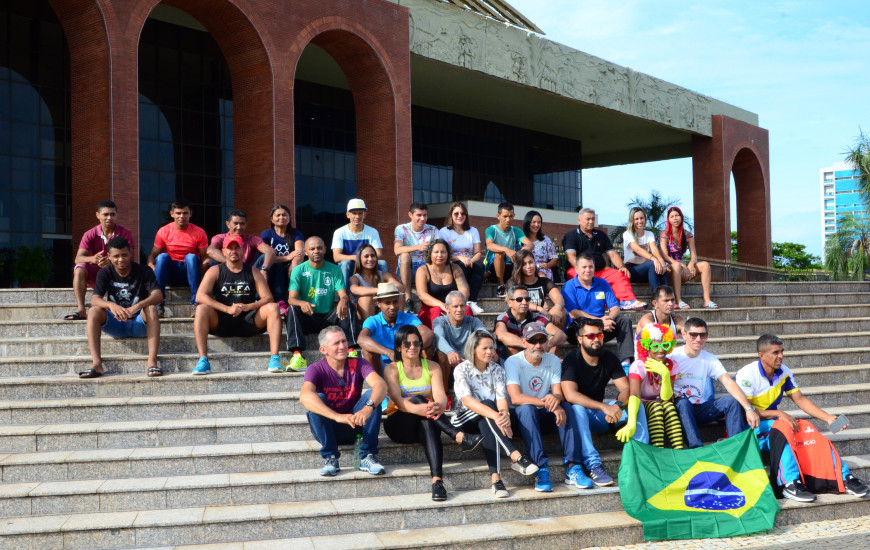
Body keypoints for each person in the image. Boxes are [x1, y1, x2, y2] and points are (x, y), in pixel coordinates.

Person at [736, 334, 869, 502]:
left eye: (782, 351)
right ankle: (790, 484)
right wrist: (778, 414)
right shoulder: (747, 374)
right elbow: (746, 410)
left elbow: (800, 399)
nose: (781, 356)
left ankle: (845, 478)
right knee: (783, 433)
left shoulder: (784, 371)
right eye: (775, 352)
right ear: (761, 355)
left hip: (774, 424)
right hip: (750, 428)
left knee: (808, 429)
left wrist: (827, 418)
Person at [383, 325, 483, 501]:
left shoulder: (433, 366)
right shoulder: (391, 368)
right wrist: (419, 408)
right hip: (398, 425)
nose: (412, 347)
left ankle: (437, 481)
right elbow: (399, 401)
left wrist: (438, 406)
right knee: (419, 399)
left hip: (426, 420)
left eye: (416, 343)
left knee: (427, 421)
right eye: (407, 344)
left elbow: (441, 398)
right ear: (399, 347)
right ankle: (457, 435)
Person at [561, 318, 649, 487]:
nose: (596, 339)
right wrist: (604, 407)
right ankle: (593, 465)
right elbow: (570, 395)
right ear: (580, 339)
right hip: (582, 417)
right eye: (591, 336)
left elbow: (626, 389)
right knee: (577, 408)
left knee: (637, 405)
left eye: (599, 335)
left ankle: (642, 458)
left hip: (603, 415)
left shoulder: (608, 357)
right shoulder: (572, 360)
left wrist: (617, 406)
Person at [451, 330, 539, 498]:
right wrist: (498, 416)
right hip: (465, 418)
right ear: (473, 349)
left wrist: (504, 414)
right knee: (487, 407)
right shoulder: (462, 369)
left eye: (492, 348)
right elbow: (467, 401)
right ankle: (516, 456)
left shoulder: (497, 369)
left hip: (490, 420)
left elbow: (501, 399)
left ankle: (496, 480)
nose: (489, 352)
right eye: (485, 348)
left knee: (488, 419)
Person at [505, 322, 584, 492]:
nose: (538, 345)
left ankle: (573, 466)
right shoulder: (513, 361)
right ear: (524, 342)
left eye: (542, 340)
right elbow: (516, 397)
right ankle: (540, 467)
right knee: (526, 408)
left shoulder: (553, 360)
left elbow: (558, 392)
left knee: (567, 407)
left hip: (543, 413)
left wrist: (556, 400)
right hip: (521, 419)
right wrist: (550, 402)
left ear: (548, 341)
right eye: (533, 341)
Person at [299, 326, 387, 477]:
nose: (342, 346)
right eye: (336, 343)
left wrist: (368, 407)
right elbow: (304, 396)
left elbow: (381, 385)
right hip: (329, 429)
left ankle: (367, 455)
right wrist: (337, 417)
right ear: (323, 349)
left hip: (356, 424)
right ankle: (330, 456)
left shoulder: (360, 363)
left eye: (344, 341)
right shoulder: (316, 369)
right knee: (316, 399)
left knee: (372, 396)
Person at [192, 234, 284, 375]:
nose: (233, 251)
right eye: (230, 248)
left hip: (248, 320)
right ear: (223, 251)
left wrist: (249, 306)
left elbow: (268, 298)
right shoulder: (215, 270)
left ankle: (274, 358)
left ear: (243, 250)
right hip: (222, 320)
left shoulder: (253, 271)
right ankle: (203, 360)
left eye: (237, 248)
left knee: (274, 307)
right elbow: (200, 296)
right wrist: (227, 309)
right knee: (201, 309)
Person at [672, 317, 759, 448]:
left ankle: (737, 448)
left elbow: (728, 382)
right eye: (693, 335)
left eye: (702, 335)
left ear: (708, 336)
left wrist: (748, 408)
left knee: (732, 402)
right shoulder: (673, 355)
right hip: (677, 408)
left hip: (699, 408)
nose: (698, 339)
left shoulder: (709, 359)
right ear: (684, 334)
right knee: (683, 402)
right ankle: (696, 449)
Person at [83, 237, 162, 378]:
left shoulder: (144, 270)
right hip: (116, 324)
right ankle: (96, 363)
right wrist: (110, 305)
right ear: (109, 256)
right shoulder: (105, 273)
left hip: (139, 323)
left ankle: (152, 361)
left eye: (124, 255)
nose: (121, 259)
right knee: (94, 311)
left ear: (130, 253)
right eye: (116, 256)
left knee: (151, 309)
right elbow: (94, 298)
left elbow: (158, 295)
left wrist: (137, 306)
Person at [285, 237, 361, 372]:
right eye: (312, 248)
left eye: (319, 248)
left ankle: (351, 351)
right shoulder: (298, 270)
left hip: (328, 318)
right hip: (308, 317)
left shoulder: (334, 269)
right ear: (306, 252)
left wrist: (343, 299)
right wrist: (302, 303)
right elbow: (291, 299)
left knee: (348, 306)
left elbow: (343, 294)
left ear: (325, 250)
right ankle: (298, 356)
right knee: (292, 309)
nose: (316, 251)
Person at [561, 254, 634, 371]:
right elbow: (574, 313)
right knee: (582, 324)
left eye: (590, 267)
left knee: (624, 321)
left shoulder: (602, 283)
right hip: (576, 328)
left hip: (602, 327)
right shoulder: (569, 286)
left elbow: (615, 307)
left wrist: (608, 319)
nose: (588, 270)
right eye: (584, 267)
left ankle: (625, 364)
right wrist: (599, 321)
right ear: (576, 269)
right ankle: (586, 365)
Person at [562, 208, 644, 310]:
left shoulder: (601, 235)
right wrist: (582, 270)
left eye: (593, 219)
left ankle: (627, 301)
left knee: (620, 274)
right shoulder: (571, 235)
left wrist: (622, 267)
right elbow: (571, 256)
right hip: (577, 270)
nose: (591, 222)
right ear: (579, 220)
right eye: (588, 219)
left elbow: (613, 254)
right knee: (581, 277)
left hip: (600, 271)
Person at [67, 200, 136, 321]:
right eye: (105, 214)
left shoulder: (126, 233)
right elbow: (78, 258)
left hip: (117, 272)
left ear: (116, 215)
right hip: (97, 272)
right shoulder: (90, 234)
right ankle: (81, 309)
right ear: (98, 215)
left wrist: (113, 262)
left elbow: (131, 257)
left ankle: (123, 307)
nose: (109, 217)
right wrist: (92, 259)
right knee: (79, 268)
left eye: (112, 214)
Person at [619, 323, 684, 449]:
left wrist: (665, 374)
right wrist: (631, 422)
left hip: (662, 401)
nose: (661, 350)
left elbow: (666, 398)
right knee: (656, 407)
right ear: (647, 347)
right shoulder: (639, 365)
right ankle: (657, 450)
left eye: (665, 345)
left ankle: (679, 450)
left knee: (669, 407)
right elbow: (635, 394)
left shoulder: (671, 365)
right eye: (655, 346)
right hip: (642, 403)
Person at [146, 200, 209, 318]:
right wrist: (152, 266)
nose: (181, 216)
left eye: (185, 213)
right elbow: (152, 255)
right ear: (172, 214)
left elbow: (205, 256)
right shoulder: (164, 231)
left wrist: (206, 264)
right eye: (178, 213)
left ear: (190, 214)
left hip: (190, 272)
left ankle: (196, 303)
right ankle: (159, 303)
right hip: (170, 274)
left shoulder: (199, 232)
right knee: (162, 257)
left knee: (191, 257)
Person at [358, 282, 435, 374]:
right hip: (382, 364)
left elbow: (428, 334)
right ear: (378, 304)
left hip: (407, 361)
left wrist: (408, 351)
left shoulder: (408, 318)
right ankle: (379, 384)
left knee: (429, 346)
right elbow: (361, 339)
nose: (392, 307)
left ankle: (422, 378)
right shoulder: (372, 320)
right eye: (387, 303)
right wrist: (389, 353)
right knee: (367, 351)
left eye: (395, 301)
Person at [659, 206, 717, 309]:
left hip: (682, 271)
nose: (675, 218)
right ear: (668, 219)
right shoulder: (665, 234)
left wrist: (691, 263)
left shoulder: (688, 235)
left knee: (705, 265)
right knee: (676, 265)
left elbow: (694, 254)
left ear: (681, 217)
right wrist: (681, 265)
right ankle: (678, 300)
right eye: (672, 216)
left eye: (677, 215)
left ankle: (707, 300)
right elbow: (664, 256)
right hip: (669, 269)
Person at [494, 284, 566, 361]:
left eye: (527, 299)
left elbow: (561, 335)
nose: (524, 302)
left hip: (536, 354)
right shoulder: (503, 318)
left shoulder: (538, 317)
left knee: (553, 342)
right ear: (509, 303)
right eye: (519, 299)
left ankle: (548, 367)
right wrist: (530, 345)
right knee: (512, 347)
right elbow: (501, 335)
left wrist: (546, 346)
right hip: (508, 359)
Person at [439, 201, 485, 314]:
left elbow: (478, 253)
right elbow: (443, 254)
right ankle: (464, 298)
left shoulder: (473, 231)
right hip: (452, 262)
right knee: (460, 265)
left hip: (470, 262)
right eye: (456, 213)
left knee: (479, 265)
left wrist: (470, 260)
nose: (460, 216)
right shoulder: (444, 231)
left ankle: (472, 301)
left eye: (463, 213)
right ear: (451, 215)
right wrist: (460, 258)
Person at [258, 204, 305, 315]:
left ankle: (295, 302)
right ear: (272, 219)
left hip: (290, 267)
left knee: (297, 269)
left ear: (289, 218)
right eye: (277, 215)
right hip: (270, 267)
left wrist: (293, 265)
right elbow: (266, 256)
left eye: (284, 215)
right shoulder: (266, 234)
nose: (281, 217)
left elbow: (299, 253)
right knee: (276, 265)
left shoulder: (296, 233)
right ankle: (280, 301)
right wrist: (288, 257)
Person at [415, 239, 473, 329]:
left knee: (467, 309)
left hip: (453, 305)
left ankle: (469, 340)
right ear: (430, 254)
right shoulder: (423, 270)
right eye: (436, 252)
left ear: (448, 254)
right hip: (431, 309)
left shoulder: (455, 268)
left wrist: (455, 305)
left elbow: (464, 290)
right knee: (437, 311)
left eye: (443, 252)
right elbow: (422, 295)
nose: (439, 255)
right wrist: (442, 305)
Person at [331, 198, 388, 287]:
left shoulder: (373, 232)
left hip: (367, 264)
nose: (357, 216)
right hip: (350, 265)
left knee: (382, 263)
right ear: (347, 215)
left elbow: (379, 254)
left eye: (360, 213)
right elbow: (336, 257)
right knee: (345, 263)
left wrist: (363, 260)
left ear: (365, 214)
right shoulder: (339, 232)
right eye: (354, 213)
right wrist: (357, 258)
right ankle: (345, 296)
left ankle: (385, 294)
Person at [394, 201, 439, 312]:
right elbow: (397, 250)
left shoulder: (433, 230)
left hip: (426, 267)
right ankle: (408, 298)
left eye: (425, 215)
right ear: (410, 215)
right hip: (408, 267)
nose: (422, 218)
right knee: (404, 255)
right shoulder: (402, 229)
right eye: (419, 215)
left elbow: (442, 247)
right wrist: (418, 247)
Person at [507, 249, 567, 330]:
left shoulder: (544, 281)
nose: (529, 266)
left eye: (530, 262)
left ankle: (556, 339)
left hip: (541, 317)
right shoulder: (513, 282)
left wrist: (557, 307)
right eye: (524, 264)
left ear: (535, 262)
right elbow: (519, 303)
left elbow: (558, 297)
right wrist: (540, 309)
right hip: (523, 316)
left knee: (561, 310)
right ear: (519, 266)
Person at [433, 291, 485, 378]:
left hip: (468, 362)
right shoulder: (440, 321)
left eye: (462, 306)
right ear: (447, 307)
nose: (459, 309)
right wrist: (450, 352)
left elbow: (484, 335)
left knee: (487, 349)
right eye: (455, 306)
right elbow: (438, 338)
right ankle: (445, 391)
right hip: (448, 363)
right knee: (441, 353)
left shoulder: (473, 321)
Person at [348, 244, 405, 322]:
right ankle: (370, 329)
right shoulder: (355, 278)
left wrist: (382, 291)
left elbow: (401, 288)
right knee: (366, 298)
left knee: (399, 298)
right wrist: (381, 290)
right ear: (359, 259)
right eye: (366, 256)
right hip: (363, 313)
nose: (370, 259)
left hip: (384, 310)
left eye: (373, 256)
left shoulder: (384, 275)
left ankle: (398, 327)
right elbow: (354, 289)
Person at [485, 202, 530, 298]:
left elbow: (530, 244)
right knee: (499, 253)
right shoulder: (491, 229)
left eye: (510, 216)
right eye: (505, 216)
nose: (508, 219)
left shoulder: (516, 230)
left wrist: (519, 252)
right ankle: (500, 287)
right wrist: (506, 249)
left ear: (514, 216)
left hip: (511, 267)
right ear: (498, 216)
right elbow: (489, 245)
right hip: (493, 270)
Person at [208, 209, 276, 268]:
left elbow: (271, 251)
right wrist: (231, 263)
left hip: (247, 273)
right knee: (214, 261)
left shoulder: (253, 239)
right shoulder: (220, 238)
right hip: (227, 272)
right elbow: (210, 251)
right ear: (228, 224)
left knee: (271, 260)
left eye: (242, 224)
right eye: (235, 223)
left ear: (246, 224)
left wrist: (264, 269)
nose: (239, 227)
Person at [622, 207, 668, 293]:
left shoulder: (649, 234)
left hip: (648, 270)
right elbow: (638, 250)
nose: (639, 221)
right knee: (653, 263)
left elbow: (654, 248)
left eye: (642, 218)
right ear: (632, 220)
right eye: (636, 219)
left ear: (645, 219)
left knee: (661, 265)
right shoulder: (627, 234)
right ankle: (656, 299)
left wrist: (661, 260)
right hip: (632, 270)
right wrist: (654, 259)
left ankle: (667, 297)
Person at [522, 210, 559, 281]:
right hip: (526, 269)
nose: (536, 225)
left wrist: (548, 265)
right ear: (528, 223)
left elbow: (555, 258)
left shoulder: (545, 240)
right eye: (534, 222)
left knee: (541, 275)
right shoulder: (521, 239)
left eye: (539, 222)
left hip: (543, 270)